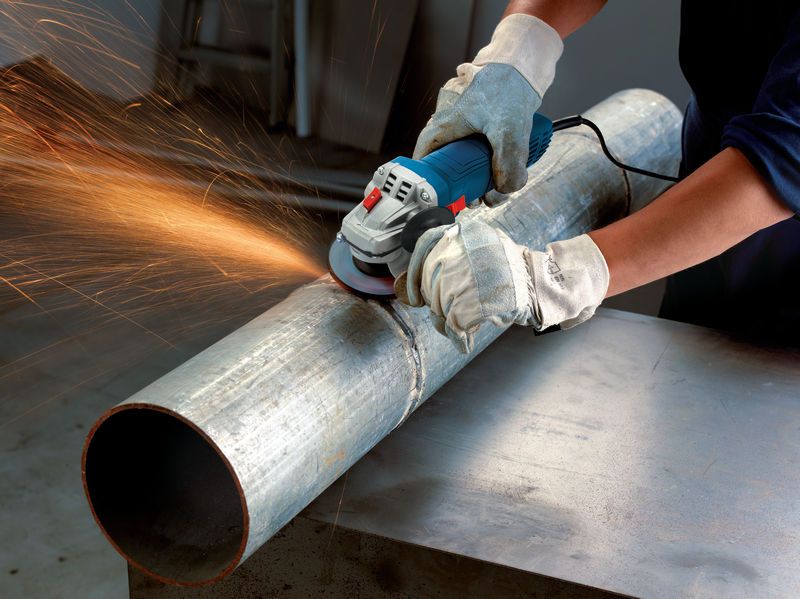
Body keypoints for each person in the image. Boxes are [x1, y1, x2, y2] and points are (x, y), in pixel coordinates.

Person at [400, 0, 799, 353]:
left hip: (776, 231)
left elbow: (782, 158)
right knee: (685, 356)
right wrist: (514, 56)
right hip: (710, 177)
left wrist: (558, 278)